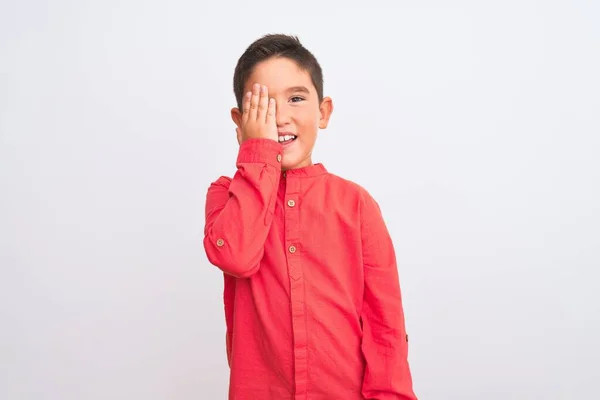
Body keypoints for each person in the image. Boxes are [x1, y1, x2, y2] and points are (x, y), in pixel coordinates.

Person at [203, 33, 418, 400]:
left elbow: (385, 328)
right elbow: (236, 255)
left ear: (323, 112)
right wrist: (258, 153)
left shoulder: (356, 204)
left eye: (296, 99)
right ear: (240, 121)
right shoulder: (227, 196)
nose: (281, 117)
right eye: (263, 105)